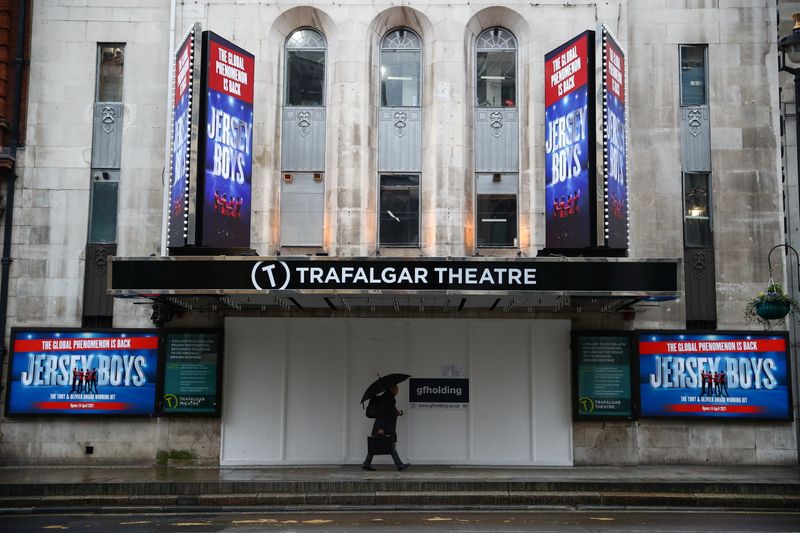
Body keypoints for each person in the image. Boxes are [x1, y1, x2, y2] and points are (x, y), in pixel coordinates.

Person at [362, 384, 409, 471]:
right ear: (391, 389)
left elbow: (390, 411)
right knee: (389, 446)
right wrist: (380, 428)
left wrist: (399, 412)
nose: (397, 392)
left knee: (380, 446)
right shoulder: (386, 399)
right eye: (396, 389)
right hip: (383, 427)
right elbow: (381, 414)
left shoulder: (389, 399)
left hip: (386, 426)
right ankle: (399, 465)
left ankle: (366, 464)